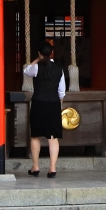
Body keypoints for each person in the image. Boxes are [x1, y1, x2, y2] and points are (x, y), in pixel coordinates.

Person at [23, 41, 67, 178]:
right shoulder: (59, 69)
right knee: (52, 137)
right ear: (52, 53)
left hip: (39, 103)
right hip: (53, 104)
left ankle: (35, 167)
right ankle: (52, 168)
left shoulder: (36, 68)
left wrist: (37, 59)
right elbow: (62, 92)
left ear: (40, 53)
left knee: (35, 136)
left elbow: (26, 71)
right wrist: (59, 106)